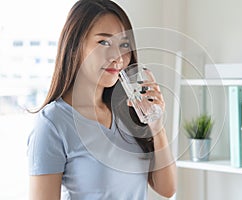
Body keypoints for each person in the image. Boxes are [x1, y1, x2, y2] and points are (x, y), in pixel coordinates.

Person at [27, 0, 177, 199]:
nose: (118, 57)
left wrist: (156, 127)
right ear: (74, 47)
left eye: (124, 44)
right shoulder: (53, 123)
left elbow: (167, 189)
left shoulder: (127, 111)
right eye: (103, 42)